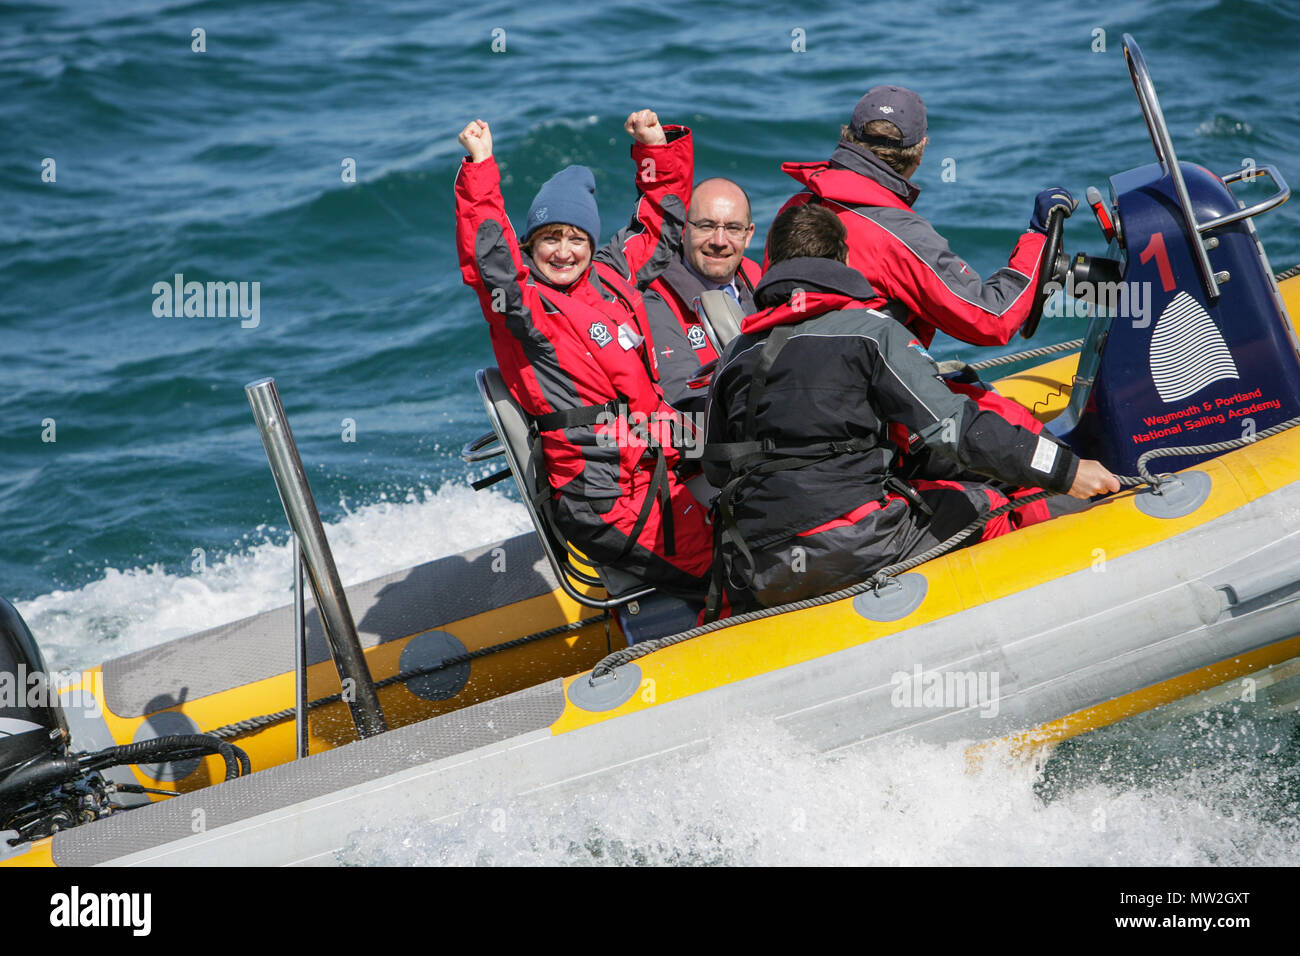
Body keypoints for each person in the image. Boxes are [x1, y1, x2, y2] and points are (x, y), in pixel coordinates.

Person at [703, 203, 1119, 610]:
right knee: (992, 505)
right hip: (853, 542)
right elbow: (954, 429)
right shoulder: (871, 332)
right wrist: (1066, 471)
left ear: (772, 267)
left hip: (759, 563)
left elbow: (718, 468)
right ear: (845, 260)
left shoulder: (734, 356)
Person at [454, 113, 713, 596]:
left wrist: (656, 149)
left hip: (663, 449)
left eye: (577, 239)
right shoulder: (524, 308)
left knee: (761, 465)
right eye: (550, 238)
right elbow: (489, 260)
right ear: (530, 245)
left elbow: (660, 220)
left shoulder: (612, 275)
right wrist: (481, 168)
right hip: (604, 492)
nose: (564, 251)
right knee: (722, 565)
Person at [774, 84, 1076, 437]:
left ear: (848, 138)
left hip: (792, 395)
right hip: (869, 414)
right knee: (1027, 436)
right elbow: (991, 319)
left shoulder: (795, 209)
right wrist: (1038, 237)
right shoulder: (899, 234)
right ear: (920, 153)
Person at [599, 168, 763, 415]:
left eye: (732, 228)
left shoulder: (759, 283)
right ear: (683, 228)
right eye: (706, 226)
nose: (719, 241)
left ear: (748, 235)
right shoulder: (654, 296)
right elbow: (683, 400)